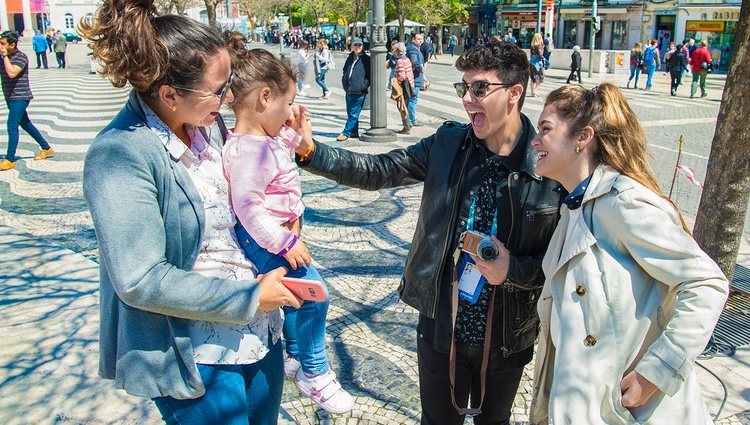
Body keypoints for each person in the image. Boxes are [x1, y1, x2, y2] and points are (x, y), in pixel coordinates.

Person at [292, 40, 562, 425]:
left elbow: (557, 268)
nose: (468, 100)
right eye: (463, 88)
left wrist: (511, 271)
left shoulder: (546, 168)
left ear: (515, 93)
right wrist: (311, 151)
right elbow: (379, 170)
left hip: (506, 335)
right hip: (441, 324)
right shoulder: (448, 143)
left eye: (480, 89)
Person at [79, 1, 303, 423]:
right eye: (218, 90)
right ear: (168, 95)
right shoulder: (121, 154)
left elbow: (251, 194)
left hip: (259, 334)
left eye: (228, 84)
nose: (229, 98)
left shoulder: (210, 125)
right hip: (196, 354)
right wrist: (250, 296)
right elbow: (141, 279)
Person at [528, 82, 728, 425]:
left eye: (545, 129)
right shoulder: (573, 209)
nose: (535, 140)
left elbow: (707, 283)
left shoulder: (622, 201)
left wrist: (656, 373)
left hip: (629, 412)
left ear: (582, 137)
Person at [220, 42, 355, 415]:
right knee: (316, 297)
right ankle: (315, 372)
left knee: (297, 298)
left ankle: (295, 356)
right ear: (265, 96)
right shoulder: (249, 151)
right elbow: (248, 208)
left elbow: (280, 148)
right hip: (270, 238)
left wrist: (300, 135)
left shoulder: (258, 140)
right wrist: (284, 241)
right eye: (287, 102)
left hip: (277, 235)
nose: (290, 111)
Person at [0, 31, 54, 171]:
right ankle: (46, 148)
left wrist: (5, 56)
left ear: (12, 44)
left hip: (20, 96)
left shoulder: (21, 57)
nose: (1, 46)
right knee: (25, 123)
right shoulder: (3, 57)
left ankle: (10, 159)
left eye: (3, 44)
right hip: (10, 96)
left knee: (12, 125)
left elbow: (12, 73)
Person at [336, 37, 369, 141]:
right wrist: (344, 83)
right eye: (355, 45)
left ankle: (346, 132)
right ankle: (354, 132)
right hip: (349, 89)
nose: (357, 47)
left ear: (362, 46)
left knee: (354, 113)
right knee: (351, 112)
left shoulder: (366, 59)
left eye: (359, 45)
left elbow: (369, 75)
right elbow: (345, 71)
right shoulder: (350, 57)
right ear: (352, 46)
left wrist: (363, 86)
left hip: (359, 90)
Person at [390, 42, 414, 135]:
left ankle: (406, 127)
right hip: (410, 85)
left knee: (402, 106)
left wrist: (397, 83)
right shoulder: (407, 59)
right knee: (406, 105)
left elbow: (401, 76)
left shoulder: (400, 61)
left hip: (403, 86)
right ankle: (409, 123)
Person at [406, 33, 425, 127]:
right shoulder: (413, 48)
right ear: (413, 39)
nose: (421, 41)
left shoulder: (413, 47)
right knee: (412, 100)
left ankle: (407, 120)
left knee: (409, 100)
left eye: (422, 39)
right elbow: (414, 61)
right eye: (418, 39)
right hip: (414, 78)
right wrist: (421, 69)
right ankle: (412, 120)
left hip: (414, 78)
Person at [529, 33, 545, 97]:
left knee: (533, 78)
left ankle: (533, 92)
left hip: (532, 62)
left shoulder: (532, 46)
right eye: (540, 37)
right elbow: (540, 55)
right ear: (538, 38)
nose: (542, 39)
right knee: (540, 78)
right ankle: (534, 91)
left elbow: (531, 55)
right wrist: (544, 58)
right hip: (537, 63)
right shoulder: (539, 46)